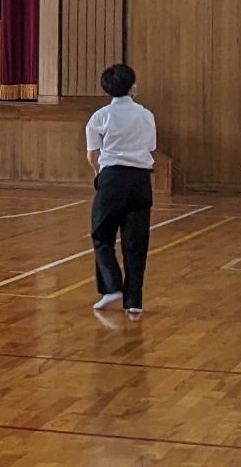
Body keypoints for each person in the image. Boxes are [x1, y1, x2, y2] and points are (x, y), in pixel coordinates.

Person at [86, 63, 156, 317]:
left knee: (101, 234)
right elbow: (149, 147)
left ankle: (112, 285)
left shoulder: (100, 116)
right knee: (136, 242)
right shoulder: (146, 115)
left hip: (112, 178)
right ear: (131, 86)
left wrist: (100, 173)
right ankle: (134, 300)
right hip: (140, 181)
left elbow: (92, 154)